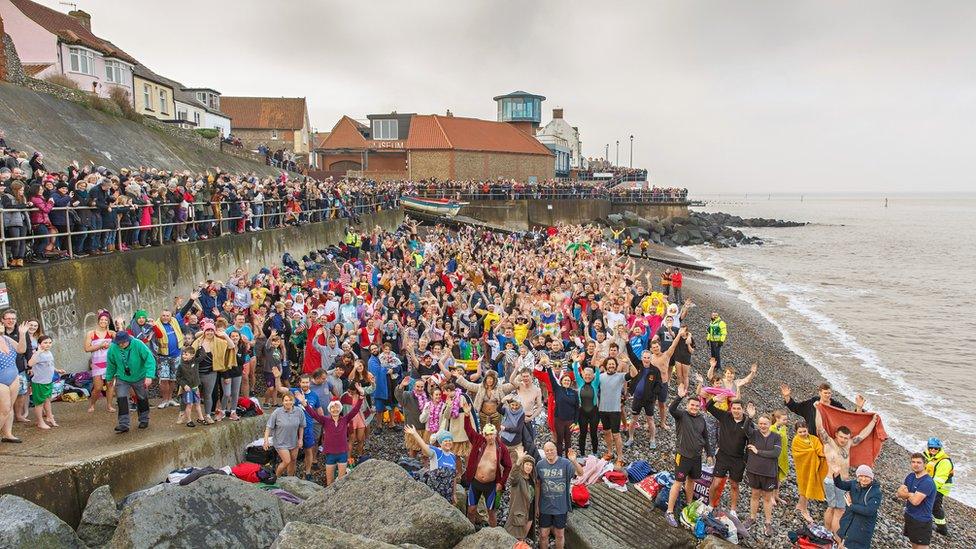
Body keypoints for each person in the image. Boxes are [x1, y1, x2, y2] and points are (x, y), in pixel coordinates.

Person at [821, 416, 880, 536]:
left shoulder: (847, 445)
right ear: (836, 434)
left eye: (846, 438)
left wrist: (873, 422)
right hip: (835, 481)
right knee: (839, 510)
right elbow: (820, 428)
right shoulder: (829, 443)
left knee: (831, 507)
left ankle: (827, 533)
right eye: (841, 437)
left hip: (832, 480)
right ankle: (835, 537)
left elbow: (862, 436)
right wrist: (817, 408)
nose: (843, 440)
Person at [665, 384, 713, 528]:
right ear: (688, 405)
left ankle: (688, 504)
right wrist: (679, 396)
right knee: (678, 482)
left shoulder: (701, 419)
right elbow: (671, 409)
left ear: (699, 407)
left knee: (692, 481)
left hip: (696, 457)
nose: (694, 408)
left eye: (697, 406)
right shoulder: (681, 415)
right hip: (683, 455)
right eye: (692, 405)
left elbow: (705, 438)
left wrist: (709, 453)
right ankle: (669, 511)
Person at [461, 397, 512, 528]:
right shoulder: (478, 441)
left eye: (492, 434)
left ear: (496, 434)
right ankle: (470, 532)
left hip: (491, 485)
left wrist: (501, 482)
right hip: (475, 482)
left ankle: (494, 535)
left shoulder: (501, 448)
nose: (489, 437)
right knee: (471, 509)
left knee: (492, 512)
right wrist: (467, 415)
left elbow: (508, 466)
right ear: (484, 434)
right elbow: (468, 430)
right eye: (487, 434)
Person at [297, 388, 362, 485]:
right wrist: (304, 404)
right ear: (329, 409)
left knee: (341, 481)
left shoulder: (345, 419)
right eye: (332, 408)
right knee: (329, 482)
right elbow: (313, 414)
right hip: (330, 454)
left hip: (342, 453)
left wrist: (361, 397)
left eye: (337, 408)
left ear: (340, 409)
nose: (335, 409)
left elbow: (355, 410)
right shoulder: (325, 420)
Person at [705, 397, 755, 512]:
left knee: (734, 485)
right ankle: (710, 505)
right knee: (716, 483)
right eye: (734, 408)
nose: (736, 411)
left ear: (743, 410)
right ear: (730, 409)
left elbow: (750, 443)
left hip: (738, 459)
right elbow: (708, 407)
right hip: (723, 456)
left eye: (738, 409)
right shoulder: (725, 416)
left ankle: (733, 510)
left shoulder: (748, 423)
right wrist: (714, 399)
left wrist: (746, 461)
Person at [105, 332, 157, 433]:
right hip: (122, 377)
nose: (121, 345)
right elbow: (111, 364)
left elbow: (149, 359)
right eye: (118, 343)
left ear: (128, 340)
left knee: (142, 398)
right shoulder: (113, 348)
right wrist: (109, 378)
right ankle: (123, 424)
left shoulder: (138, 344)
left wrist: (149, 376)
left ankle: (144, 419)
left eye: (123, 342)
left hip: (139, 376)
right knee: (121, 399)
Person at [535, 441, 583, 549]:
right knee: (543, 535)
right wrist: (537, 505)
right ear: (544, 452)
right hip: (545, 507)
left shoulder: (565, 463)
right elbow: (538, 486)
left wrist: (574, 461)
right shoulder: (540, 465)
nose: (549, 452)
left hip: (561, 507)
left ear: (556, 450)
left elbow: (580, 473)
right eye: (547, 450)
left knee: (560, 534)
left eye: (552, 449)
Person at [743, 413, 782, 536]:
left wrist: (757, 451)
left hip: (769, 472)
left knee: (767, 497)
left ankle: (768, 522)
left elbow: (775, 453)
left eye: (765, 423)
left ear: (770, 424)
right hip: (753, 470)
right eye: (760, 423)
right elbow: (745, 428)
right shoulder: (754, 433)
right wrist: (749, 417)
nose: (762, 426)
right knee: (754, 494)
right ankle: (752, 518)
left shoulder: (776, 436)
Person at [832, 464, 881, 549]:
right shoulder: (854, 484)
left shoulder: (876, 492)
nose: (863, 479)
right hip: (848, 521)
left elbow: (869, 511)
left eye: (866, 476)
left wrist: (851, 505)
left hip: (862, 527)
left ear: (871, 477)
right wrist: (836, 474)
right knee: (843, 542)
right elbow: (840, 484)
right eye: (861, 476)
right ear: (857, 477)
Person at [406, 426, 457, 502]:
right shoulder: (436, 452)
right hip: (434, 490)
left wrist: (454, 494)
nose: (448, 443)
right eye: (445, 441)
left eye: (450, 440)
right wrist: (415, 434)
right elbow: (423, 445)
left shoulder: (453, 456)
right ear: (440, 443)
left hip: (447, 492)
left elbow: (454, 477)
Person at [898, 453, 937, 549]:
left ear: (925, 464)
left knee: (921, 547)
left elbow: (915, 501)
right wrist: (910, 495)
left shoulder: (927, 482)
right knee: (914, 545)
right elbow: (899, 493)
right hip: (909, 516)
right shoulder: (910, 476)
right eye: (913, 462)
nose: (915, 464)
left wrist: (908, 495)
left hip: (922, 520)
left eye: (919, 462)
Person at [791, 420, 827, 524]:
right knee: (804, 486)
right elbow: (797, 454)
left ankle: (800, 505)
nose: (802, 434)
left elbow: (820, 450)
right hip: (803, 466)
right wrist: (811, 452)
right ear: (796, 432)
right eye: (800, 432)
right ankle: (804, 510)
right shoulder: (796, 441)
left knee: (807, 486)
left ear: (808, 430)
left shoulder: (814, 439)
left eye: (804, 431)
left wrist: (827, 454)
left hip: (814, 466)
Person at [263, 393, 305, 477]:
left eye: (290, 400)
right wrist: (266, 440)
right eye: (286, 400)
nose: (288, 402)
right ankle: (276, 477)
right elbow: (269, 427)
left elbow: (301, 426)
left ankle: (290, 478)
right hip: (280, 441)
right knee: (287, 461)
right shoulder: (277, 412)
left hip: (293, 441)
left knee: (293, 460)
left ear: (293, 401)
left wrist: (300, 439)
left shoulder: (299, 411)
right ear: (282, 402)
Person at [27, 335, 64, 429]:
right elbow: (30, 364)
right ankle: (40, 422)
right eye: (45, 343)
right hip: (39, 382)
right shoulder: (37, 353)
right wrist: (38, 352)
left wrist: (57, 370)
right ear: (39, 344)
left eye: (50, 342)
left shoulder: (49, 352)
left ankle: (50, 417)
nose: (48, 345)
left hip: (48, 380)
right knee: (39, 403)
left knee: (47, 400)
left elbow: (50, 365)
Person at [0, 321, 28, 443]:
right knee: (4, 409)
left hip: (14, 376)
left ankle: (7, 434)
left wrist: (22, 334)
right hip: (1, 380)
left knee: (10, 407)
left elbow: (21, 349)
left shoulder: (5, 338)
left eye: (1, 324)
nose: (1, 326)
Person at [84, 311, 116, 413]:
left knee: (110, 385)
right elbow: (87, 348)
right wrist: (100, 345)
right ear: (98, 321)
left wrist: (111, 345)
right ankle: (92, 404)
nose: (103, 321)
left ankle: (109, 405)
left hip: (110, 363)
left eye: (106, 320)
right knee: (98, 387)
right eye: (101, 319)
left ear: (108, 322)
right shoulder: (91, 333)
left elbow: (121, 344)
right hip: (97, 363)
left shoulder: (111, 333)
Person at [923, 438, 953, 537]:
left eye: (935, 448)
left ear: (939, 449)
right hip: (930, 484)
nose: (933, 450)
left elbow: (940, 479)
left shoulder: (944, 461)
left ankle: (942, 529)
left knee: (935, 507)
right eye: (931, 448)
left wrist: (929, 489)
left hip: (940, 487)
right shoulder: (929, 456)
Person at [174, 345, 206, 427]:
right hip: (187, 389)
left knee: (198, 403)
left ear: (192, 355)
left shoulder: (195, 361)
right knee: (189, 405)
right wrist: (184, 385)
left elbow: (203, 356)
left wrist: (200, 347)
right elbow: (178, 377)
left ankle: (201, 418)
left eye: (186, 354)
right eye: (183, 354)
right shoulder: (181, 366)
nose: (183, 356)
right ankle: (189, 420)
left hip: (195, 387)